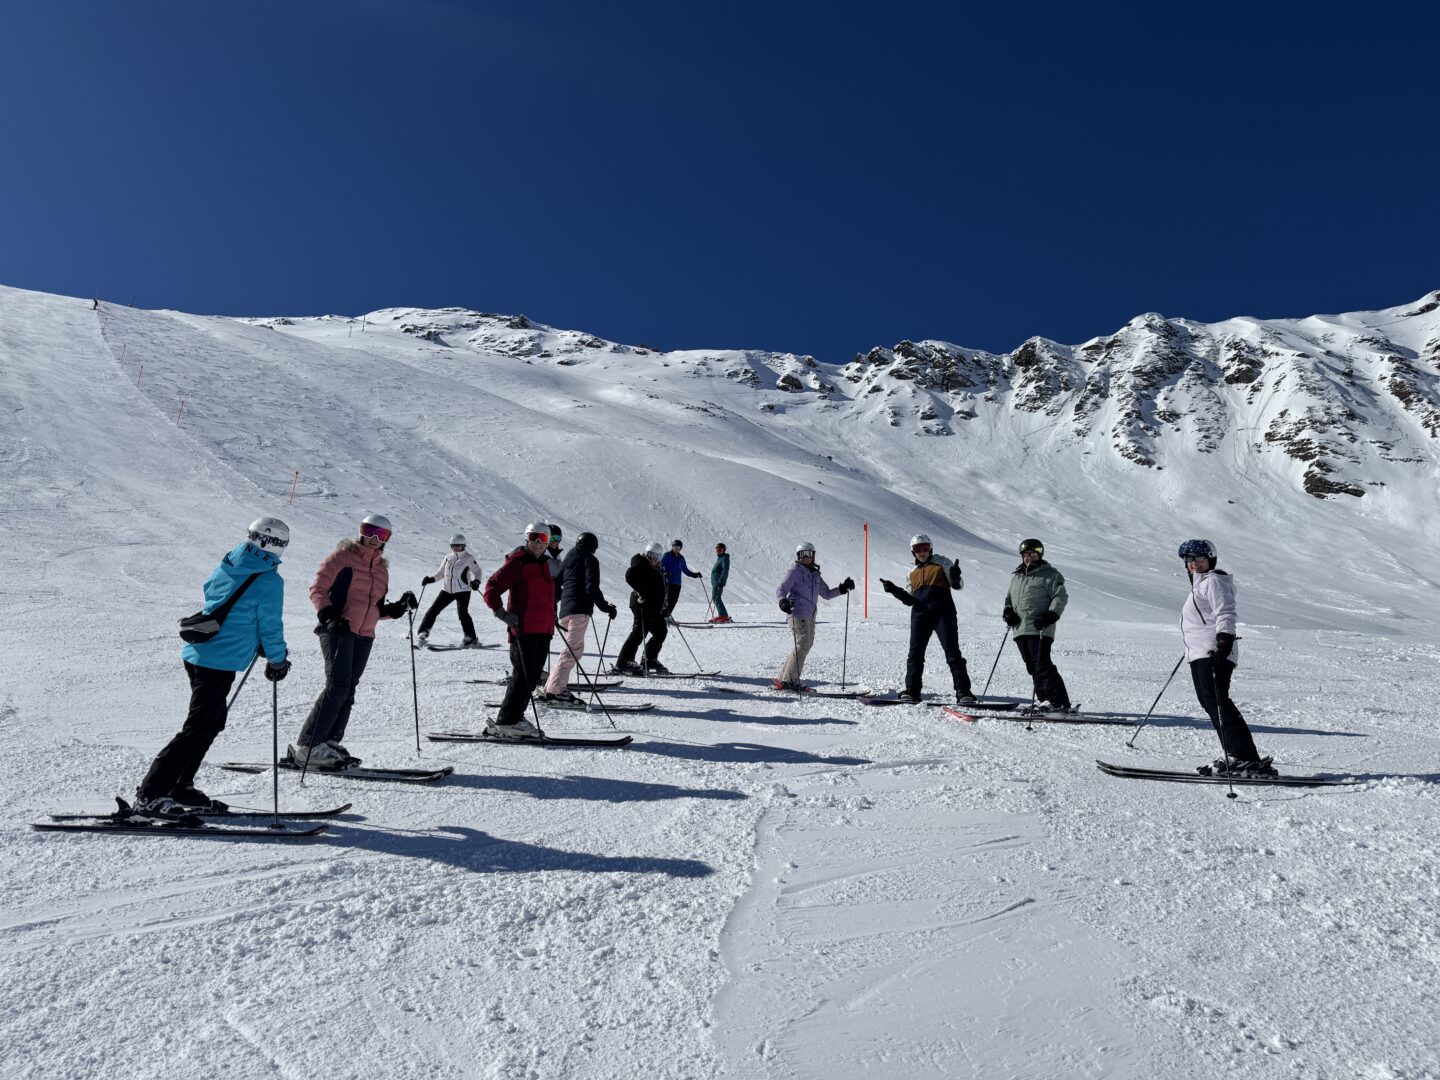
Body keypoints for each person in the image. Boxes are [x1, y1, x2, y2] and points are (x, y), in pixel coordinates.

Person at [133, 517, 292, 819]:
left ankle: (180, 785)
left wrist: (251, 638)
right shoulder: (269, 580)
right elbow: (271, 626)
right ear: (277, 546)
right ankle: (150, 795)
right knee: (198, 728)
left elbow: (215, 596)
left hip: (200, 653)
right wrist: (277, 659)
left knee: (211, 723)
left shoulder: (230, 562)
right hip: (219, 660)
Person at [291, 513, 417, 769]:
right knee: (337, 685)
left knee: (348, 688)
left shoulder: (381, 570)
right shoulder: (342, 557)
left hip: (365, 634)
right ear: (360, 531)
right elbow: (318, 589)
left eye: (381, 534)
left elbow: (375, 608)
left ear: (387, 539)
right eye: (369, 530)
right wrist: (329, 617)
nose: (374, 538)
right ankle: (309, 746)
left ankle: (329, 742)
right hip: (338, 629)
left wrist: (398, 608)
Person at [1178, 539, 1274, 776]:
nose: (1194, 563)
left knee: (1217, 701)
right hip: (1200, 652)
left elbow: (1225, 611)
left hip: (1214, 652)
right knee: (1210, 701)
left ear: (1210, 560)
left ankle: (1243, 756)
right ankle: (1239, 754)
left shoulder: (1214, 581)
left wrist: (1224, 641)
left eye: (1199, 559)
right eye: (1189, 560)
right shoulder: (1199, 585)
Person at [879, 533, 975, 703]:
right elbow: (909, 600)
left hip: (943, 614)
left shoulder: (942, 563)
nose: (922, 552)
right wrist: (894, 590)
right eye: (918, 549)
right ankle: (912, 691)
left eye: (925, 548)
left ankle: (963, 692)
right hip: (920, 615)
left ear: (930, 548)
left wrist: (955, 577)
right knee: (915, 654)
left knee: (952, 652)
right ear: (913, 552)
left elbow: (957, 585)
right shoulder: (912, 573)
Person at [482, 522, 557, 739]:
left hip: (544, 629)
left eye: (543, 539)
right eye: (533, 538)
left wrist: (552, 616)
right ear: (526, 538)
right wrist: (501, 613)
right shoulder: (518, 562)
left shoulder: (546, 564)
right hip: (524, 629)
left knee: (532, 677)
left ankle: (516, 718)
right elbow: (492, 587)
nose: (538, 543)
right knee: (523, 676)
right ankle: (507, 721)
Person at [542, 532, 619, 703]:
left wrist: (555, 605)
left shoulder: (570, 557)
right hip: (579, 610)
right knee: (572, 650)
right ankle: (556, 691)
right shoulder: (590, 560)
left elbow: (556, 583)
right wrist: (606, 607)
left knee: (571, 649)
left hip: (565, 611)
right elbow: (592, 587)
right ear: (593, 547)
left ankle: (550, 688)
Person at [1002, 538, 1073, 711]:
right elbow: (1009, 598)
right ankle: (1046, 700)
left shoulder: (1050, 574)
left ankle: (1054, 701)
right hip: (1020, 628)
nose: (1029, 557)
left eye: (1033, 554)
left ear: (1039, 555)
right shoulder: (1016, 576)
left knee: (1042, 664)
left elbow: (1060, 596)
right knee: (1032, 666)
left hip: (1040, 626)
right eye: (1026, 554)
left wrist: (1051, 615)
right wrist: (1008, 612)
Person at [773, 541, 854, 690]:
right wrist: (783, 602)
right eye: (802, 554)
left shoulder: (815, 575)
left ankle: (783, 678)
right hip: (797, 612)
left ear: (813, 555)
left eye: (809, 554)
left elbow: (827, 594)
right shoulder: (795, 572)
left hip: (810, 615)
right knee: (803, 644)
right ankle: (789, 680)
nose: (806, 557)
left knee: (805, 644)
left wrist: (842, 588)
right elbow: (781, 589)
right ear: (798, 556)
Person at [612, 541, 670, 675]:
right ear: (647, 554)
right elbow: (629, 575)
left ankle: (649, 659)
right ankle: (624, 662)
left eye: (657, 556)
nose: (654, 558)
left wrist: (663, 605)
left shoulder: (652, 566)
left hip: (653, 608)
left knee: (661, 631)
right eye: (651, 555)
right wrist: (642, 592)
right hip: (642, 605)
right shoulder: (641, 564)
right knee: (639, 632)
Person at [416, 534, 482, 647]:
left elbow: (477, 571)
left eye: (458, 545)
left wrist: (476, 581)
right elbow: (441, 573)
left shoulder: (468, 558)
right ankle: (423, 633)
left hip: (463, 590)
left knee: (463, 614)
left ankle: (471, 638)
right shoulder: (448, 558)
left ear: (463, 545)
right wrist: (431, 579)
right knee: (433, 610)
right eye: (453, 545)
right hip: (447, 590)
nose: (455, 547)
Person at [660, 539, 703, 620]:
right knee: (667, 601)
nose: (677, 548)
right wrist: (664, 573)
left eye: (679, 547)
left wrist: (695, 575)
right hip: (668, 582)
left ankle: (666, 617)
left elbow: (685, 570)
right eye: (675, 546)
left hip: (677, 584)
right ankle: (662, 617)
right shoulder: (667, 556)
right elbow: (660, 566)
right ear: (672, 546)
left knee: (674, 601)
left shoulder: (681, 558)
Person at [709, 543, 732, 623]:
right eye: (717, 550)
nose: (718, 551)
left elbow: (725, 570)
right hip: (716, 581)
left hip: (719, 581)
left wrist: (722, 580)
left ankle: (724, 616)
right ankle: (721, 615)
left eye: (720, 550)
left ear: (724, 550)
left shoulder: (724, 558)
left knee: (716, 597)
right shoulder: (720, 559)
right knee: (716, 598)